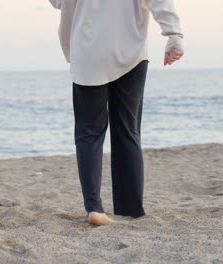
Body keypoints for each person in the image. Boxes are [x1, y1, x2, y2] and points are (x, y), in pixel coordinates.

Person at [48, 0, 184, 225]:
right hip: (130, 51)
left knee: (88, 133)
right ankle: (130, 208)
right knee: (127, 131)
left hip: (88, 52)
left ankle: (94, 207)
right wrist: (174, 35)